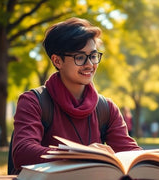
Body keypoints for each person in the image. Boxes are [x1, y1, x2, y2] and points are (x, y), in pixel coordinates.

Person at [12, 17, 142, 173]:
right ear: (57, 61)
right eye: (80, 57)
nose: (90, 64)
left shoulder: (107, 108)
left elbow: (129, 152)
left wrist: (154, 164)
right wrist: (82, 154)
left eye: (93, 56)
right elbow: (23, 153)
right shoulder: (33, 102)